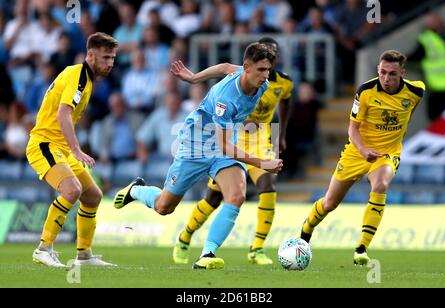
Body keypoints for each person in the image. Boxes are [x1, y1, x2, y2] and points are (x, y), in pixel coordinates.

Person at [113, 42, 282, 269]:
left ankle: (207, 255)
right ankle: (136, 190)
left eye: (268, 69)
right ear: (247, 67)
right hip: (196, 144)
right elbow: (224, 147)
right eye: (261, 70)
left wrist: (194, 78)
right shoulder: (226, 98)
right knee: (164, 206)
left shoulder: (257, 81)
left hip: (224, 142)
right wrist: (263, 162)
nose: (265, 75)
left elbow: (223, 67)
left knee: (236, 196)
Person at [171, 37, 293, 265]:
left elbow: (286, 103)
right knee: (213, 198)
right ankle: (185, 236)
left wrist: (280, 135)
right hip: (230, 135)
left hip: (259, 137)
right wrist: (195, 78)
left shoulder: (282, 83)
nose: (267, 70)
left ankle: (257, 248)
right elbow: (225, 67)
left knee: (267, 186)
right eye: (263, 63)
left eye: (271, 62)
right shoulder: (241, 79)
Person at [298, 50, 425, 265]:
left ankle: (361, 249)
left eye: (392, 74)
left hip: (387, 153)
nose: (386, 78)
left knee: (380, 184)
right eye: (382, 72)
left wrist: (393, 139)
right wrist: (364, 150)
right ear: (377, 70)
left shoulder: (416, 91)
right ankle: (305, 232)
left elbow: (409, 113)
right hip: (357, 151)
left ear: (402, 73)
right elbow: (352, 129)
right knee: (329, 203)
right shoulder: (365, 91)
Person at [26, 32, 119, 267]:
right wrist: (76, 150)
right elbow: (63, 113)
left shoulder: (85, 79)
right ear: (90, 55)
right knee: (72, 190)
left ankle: (84, 255)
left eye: (113, 58)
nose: (110, 63)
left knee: (93, 195)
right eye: (106, 57)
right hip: (44, 144)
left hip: (61, 147)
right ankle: (43, 248)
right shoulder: (78, 76)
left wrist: (71, 149)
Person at [408, 13, 445, 121]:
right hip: (439, 85)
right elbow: (416, 56)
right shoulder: (426, 40)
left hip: (443, 84)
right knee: (437, 117)